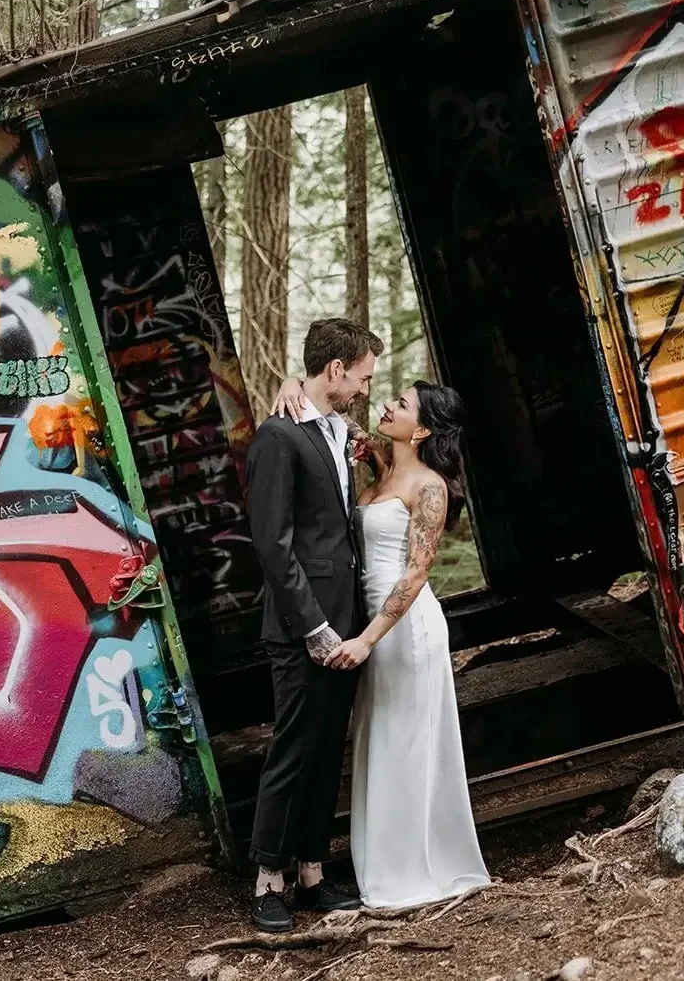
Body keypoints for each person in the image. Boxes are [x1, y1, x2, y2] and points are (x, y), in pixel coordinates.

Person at [271, 374, 491, 910]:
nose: (388, 404)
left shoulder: (430, 487)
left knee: (408, 742)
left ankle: (416, 867)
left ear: (422, 430)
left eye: (402, 404)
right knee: (379, 740)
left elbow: (416, 573)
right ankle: (386, 864)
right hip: (366, 626)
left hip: (404, 630)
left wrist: (367, 640)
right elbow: (327, 400)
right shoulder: (379, 464)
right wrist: (291, 382)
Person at [244, 318, 382, 933]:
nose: (366, 389)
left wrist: (346, 625)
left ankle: (311, 869)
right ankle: (267, 878)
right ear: (335, 370)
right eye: (362, 378)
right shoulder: (278, 436)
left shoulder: (337, 430)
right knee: (294, 749)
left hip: (346, 621)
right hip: (302, 626)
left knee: (328, 749)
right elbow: (273, 545)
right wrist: (314, 627)